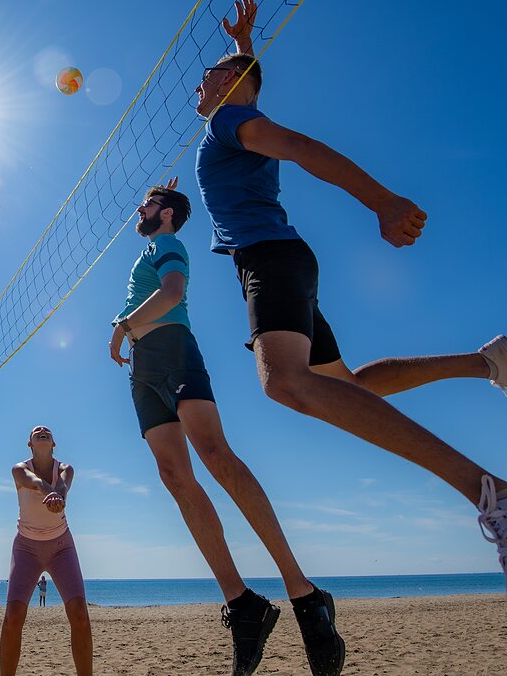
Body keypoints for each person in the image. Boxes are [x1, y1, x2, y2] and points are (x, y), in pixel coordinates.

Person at [192, 0, 507, 609]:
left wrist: (382, 201)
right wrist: (245, 44)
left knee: (284, 384)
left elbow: (300, 145)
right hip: (280, 260)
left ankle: (500, 496)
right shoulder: (240, 116)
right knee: (350, 388)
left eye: (209, 74)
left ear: (232, 83)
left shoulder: (228, 121)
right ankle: (485, 362)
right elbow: (254, 91)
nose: (198, 83)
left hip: (270, 260)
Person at [109, 178, 344, 676]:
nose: (140, 208)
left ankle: (304, 594)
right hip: (143, 368)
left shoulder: (168, 245)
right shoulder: (151, 246)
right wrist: (129, 332)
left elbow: (173, 292)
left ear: (166, 215)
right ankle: (242, 604)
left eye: (149, 203)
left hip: (172, 350)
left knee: (215, 456)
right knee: (175, 478)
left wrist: (123, 325)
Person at [0, 426, 91, 676]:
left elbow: (63, 487)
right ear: (30, 443)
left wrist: (58, 496)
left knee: (79, 613)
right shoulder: (19, 469)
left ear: (53, 444)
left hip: (61, 547)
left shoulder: (65, 468)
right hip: (26, 548)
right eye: (36, 431)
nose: (42, 430)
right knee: (13, 617)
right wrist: (51, 495)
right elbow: (36, 483)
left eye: (46, 431)